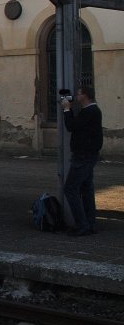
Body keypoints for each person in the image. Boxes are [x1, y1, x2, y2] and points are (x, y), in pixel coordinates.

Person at [62, 85, 102, 236]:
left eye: (78, 94)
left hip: (83, 156)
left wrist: (66, 109)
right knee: (86, 189)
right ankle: (90, 224)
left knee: (70, 189)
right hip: (89, 155)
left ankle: (82, 225)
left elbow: (71, 126)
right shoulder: (93, 111)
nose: (76, 97)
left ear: (85, 96)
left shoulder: (89, 112)